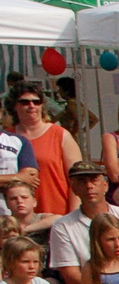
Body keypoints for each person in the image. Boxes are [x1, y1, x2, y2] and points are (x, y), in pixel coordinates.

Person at [9, 85, 77, 217]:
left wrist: (74, 215)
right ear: (14, 106)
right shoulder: (6, 138)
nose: (31, 105)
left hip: (57, 214)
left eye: (36, 102)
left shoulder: (60, 135)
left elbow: (76, 179)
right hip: (16, 220)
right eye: (24, 102)